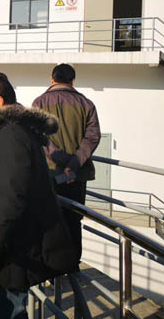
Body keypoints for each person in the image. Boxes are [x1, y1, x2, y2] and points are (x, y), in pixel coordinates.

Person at [0, 72, 77, 319]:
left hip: (8, 253)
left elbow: (11, 197)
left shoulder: (10, 136)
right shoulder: (14, 132)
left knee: (5, 311)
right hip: (9, 248)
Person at [32, 63, 101, 263]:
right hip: (77, 175)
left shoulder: (39, 102)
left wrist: (60, 159)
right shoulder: (87, 104)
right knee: (73, 219)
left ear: (52, 79)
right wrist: (74, 164)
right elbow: (93, 137)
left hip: (50, 173)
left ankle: (52, 266)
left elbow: (39, 136)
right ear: (73, 81)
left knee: (50, 218)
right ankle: (72, 265)